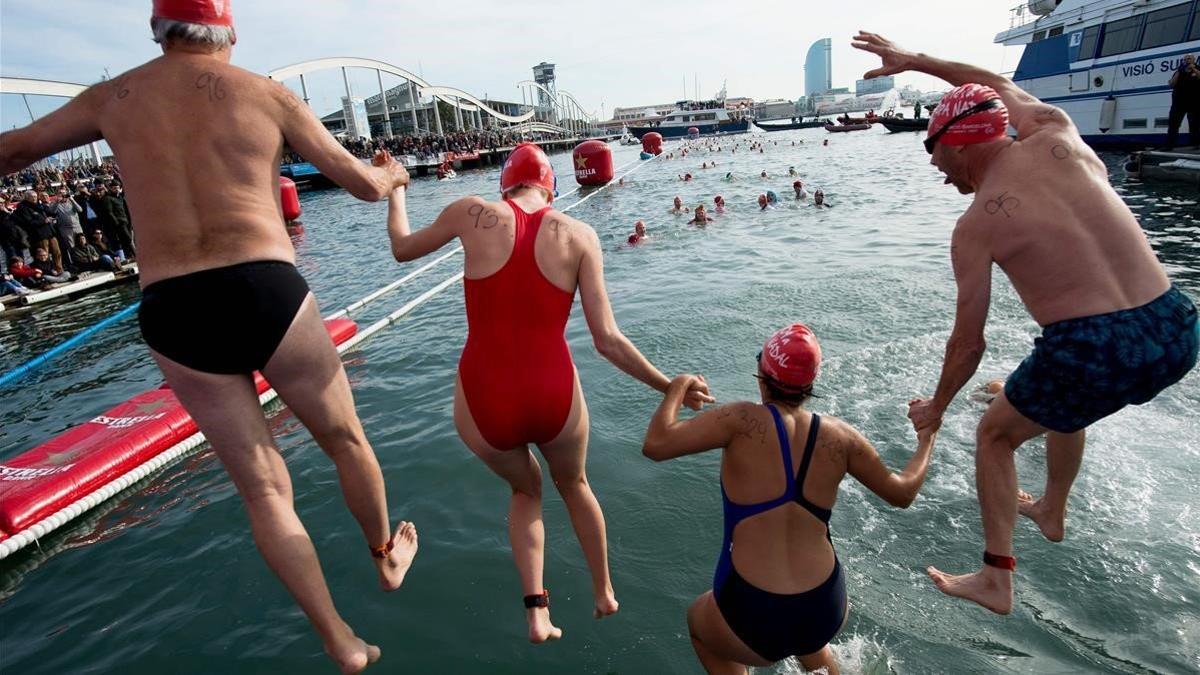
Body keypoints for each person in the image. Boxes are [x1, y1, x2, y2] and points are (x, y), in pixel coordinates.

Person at [0, 4, 420, 672]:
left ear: (156, 30)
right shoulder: (268, 94)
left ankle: (339, 639)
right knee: (345, 439)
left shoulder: (113, 97)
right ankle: (384, 556)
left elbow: (13, 150)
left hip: (173, 303)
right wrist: (394, 175)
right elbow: (364, 185)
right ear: (230, 34)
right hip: (264, 287)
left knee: (262, 488)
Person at [854, 31, 1200, 614]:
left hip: (1092, 347)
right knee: (1064, 401)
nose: (938, 171)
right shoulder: (1056, 131)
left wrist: (937, 407)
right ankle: (1052, 510)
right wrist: (916, 60)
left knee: (993, 434)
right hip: (1176, 325)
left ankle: (996, 578)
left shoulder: (976, 226)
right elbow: (997, 83)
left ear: (957, 144)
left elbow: (968, 343)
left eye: (933, 153)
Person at [381, 143, 714, 644]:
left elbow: (402, 248)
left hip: (485, 395)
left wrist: (397, 189)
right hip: (553, 391)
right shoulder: (580, 235)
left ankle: (537, 613)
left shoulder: (469, 213)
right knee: (575, 485)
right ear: (551, 188)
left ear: (505, 184)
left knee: (526, 490)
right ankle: (603, 591)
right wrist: (669, 384)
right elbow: (607, 341)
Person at [642, 323, 937, 675]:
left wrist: (676, 387)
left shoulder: (739, 419)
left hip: (752, 612)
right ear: (810, 384)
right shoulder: (841, 437)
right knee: (809, 641)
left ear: (763, 376)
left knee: (699, 625)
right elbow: (903, 493)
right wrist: (927, 438)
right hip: (825, 607)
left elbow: (656, 445)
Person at [1165, 54, 1200, 150]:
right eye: (1185, 59)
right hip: (1178, 103)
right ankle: (1169, 145)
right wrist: (1179, 72)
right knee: (1173, 124)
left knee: (1195, 125)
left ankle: (1196, 144)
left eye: (1189, 59)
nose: (1187, 61)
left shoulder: (1198, 69)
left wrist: (1194, 70)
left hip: (1194, 102)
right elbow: (1171, 84)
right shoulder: (1178, 71)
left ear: (1194, 60)